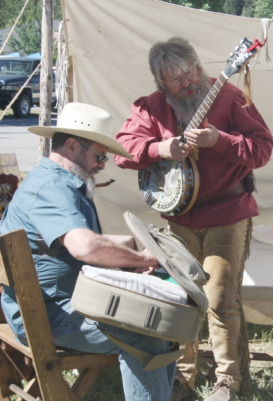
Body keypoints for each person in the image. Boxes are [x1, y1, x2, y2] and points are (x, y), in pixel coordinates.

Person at [114, 36, 273, 400]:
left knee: (219, 298)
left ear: (199, 67)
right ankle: (180, 379)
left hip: (227, 212)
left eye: (190, 72)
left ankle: (228, 382)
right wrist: (159, 148)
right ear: (161, 83)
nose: (187, 81)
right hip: (180, 217)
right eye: (176, 78)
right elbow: (122, 150)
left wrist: (220, 140)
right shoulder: (152, 107)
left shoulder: (229, 97)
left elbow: (262, 149)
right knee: (180, 297)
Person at [0, 102, 176, 401]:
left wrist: (125, 263)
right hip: (45, 318)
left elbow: (70, 248)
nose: (103, 165)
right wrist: (142, 258)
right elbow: (85, 246)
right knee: (148, 334)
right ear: (71, 146)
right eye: (100, 156)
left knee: (160, 322)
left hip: (47, 308)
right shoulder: (52, 188)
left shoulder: (54, 182)